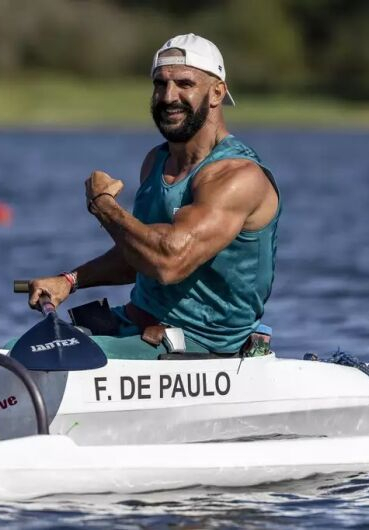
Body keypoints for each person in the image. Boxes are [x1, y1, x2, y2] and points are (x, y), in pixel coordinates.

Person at [25, 33, 281, 359]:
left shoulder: (237, 177)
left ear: (217, 92)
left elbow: (168, 262)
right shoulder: (156, 161)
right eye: (160, 84)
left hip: (200, 348)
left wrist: (103, 206)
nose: (168, 96)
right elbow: (141, 252)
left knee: (39, 360)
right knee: (18, 350)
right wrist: (69, 280)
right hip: (137, 325)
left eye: (184, 84)